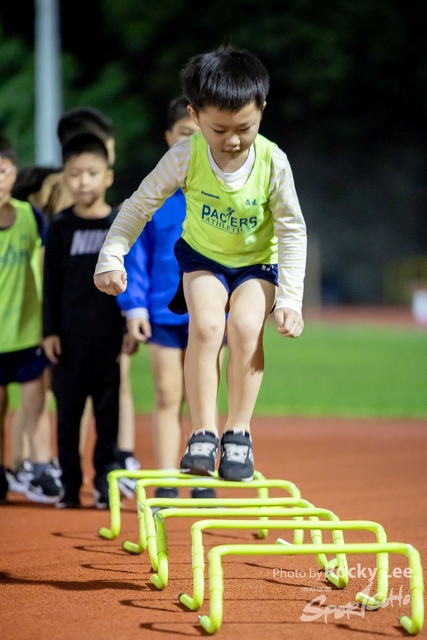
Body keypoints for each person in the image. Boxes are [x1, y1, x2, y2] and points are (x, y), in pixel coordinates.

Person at [94, 46, 307, 482]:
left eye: (245, 127)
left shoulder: (273, 162)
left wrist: (290, 299)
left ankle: (239, 433)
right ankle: (203, 432)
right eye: (218, 129)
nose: (232, 140)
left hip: (256, 264)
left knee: (245, 326)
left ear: (262, 109)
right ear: (194, 115)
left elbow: (292, 231)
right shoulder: (184, 155)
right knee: (207, 326)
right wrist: (111, 255)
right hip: (203, 258)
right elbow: (138, 206)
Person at [117, 95, 216, 501]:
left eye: (199, 135)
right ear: (169, 137)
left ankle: (202, 478)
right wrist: (134, 307)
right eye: (183, 134)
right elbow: (136, 257)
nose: (191, 142)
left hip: (209, 313)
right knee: (166, 394)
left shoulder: (219, 194)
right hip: (161, 313)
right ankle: (166, 479)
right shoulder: (154, 196)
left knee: (203, 397)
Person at [43, 133, 133, 509]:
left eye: (92, 173)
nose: (83, 181)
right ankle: (69, 484)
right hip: (68, 338)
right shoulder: (60, 226)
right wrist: (49, 330)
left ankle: (104, 482)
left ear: (107, 177)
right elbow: (50, 282)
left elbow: (131, 279)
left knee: (107, 415)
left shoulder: (120, 224)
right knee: (68, 415)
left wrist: (129, 324)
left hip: (109, 336)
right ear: (65, 177)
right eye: (75, 173)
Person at [0, 136, 62, 503]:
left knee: (36, 404)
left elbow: (49, 264)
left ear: (14, 173)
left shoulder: (31, 217)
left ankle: (40, 469)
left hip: (26, 331)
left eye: (3, 171)